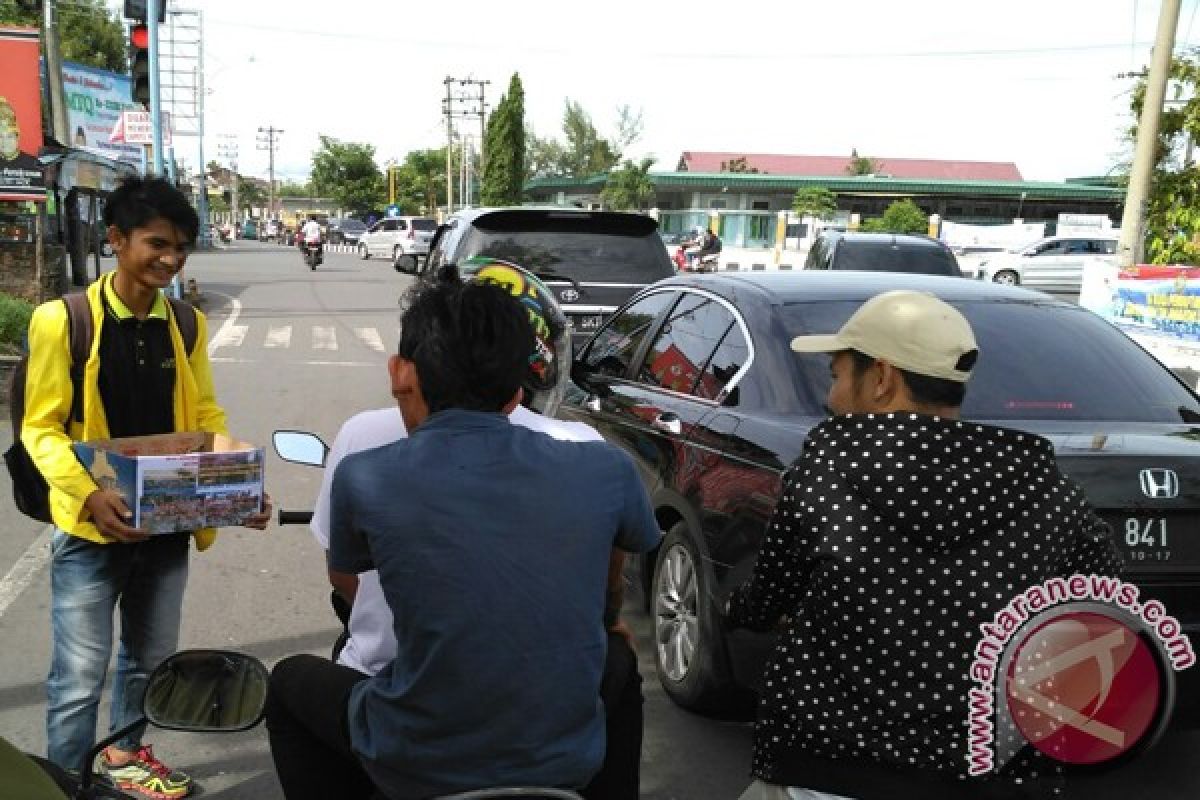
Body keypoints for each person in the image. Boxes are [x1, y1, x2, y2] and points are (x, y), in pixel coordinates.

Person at [264, 269, 660, 799]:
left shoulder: (368, 473)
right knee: (618, 658)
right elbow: (610, 590)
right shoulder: (604, 465)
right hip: (566, 762)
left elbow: (346, 581)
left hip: (414, 761)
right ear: (517, 391)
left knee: (289, 682)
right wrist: (603, 622)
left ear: (401, 373)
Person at [724, 290, 1123, 800]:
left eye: (838, 375)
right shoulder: (1043, 486)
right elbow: (1105, 604)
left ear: (883, 378)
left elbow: (770, 597)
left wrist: (738, 608)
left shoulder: (828, 469)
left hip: (828, 766)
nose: (833, 397)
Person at [22, 175, 271, 799]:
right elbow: (40, 428)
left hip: (165, 527)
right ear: (116, 240)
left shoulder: (185, 324)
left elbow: (205, 419)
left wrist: (236, 482)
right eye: (157, 243)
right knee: (78, 676)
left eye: (181, 246)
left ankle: (126, 759)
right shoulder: (64, 320)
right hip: (90, 531)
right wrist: (87, 496)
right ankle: (69, 782)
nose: (171, 258)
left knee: (147, 663)